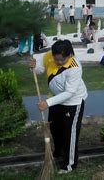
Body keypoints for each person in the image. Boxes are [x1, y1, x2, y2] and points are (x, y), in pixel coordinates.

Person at [29, 40, 87, 174]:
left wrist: (47, 103)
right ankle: (59, 153)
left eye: (62, 60)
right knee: (55, 129)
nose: (58, 62)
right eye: (56, 59)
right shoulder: (49, 55)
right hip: (55, 100)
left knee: (69, 134)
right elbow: (40, 70)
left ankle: (69, 164)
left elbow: (69, 93)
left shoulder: (74, 67)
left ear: (69, 55)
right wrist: (34, 67)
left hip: (72, 102)